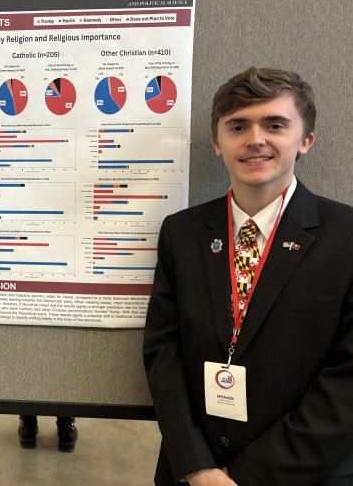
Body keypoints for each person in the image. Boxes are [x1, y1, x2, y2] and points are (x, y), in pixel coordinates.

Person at [143, 66, 353, 485]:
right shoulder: (182, 233)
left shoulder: (345, 236)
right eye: (237, 126)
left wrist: (248, 477)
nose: (255, 139)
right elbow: (163, 352)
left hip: (304, 472)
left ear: (305, 140)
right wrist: (198, 466)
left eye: (275, 124)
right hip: (192, 470)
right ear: (217, 143)